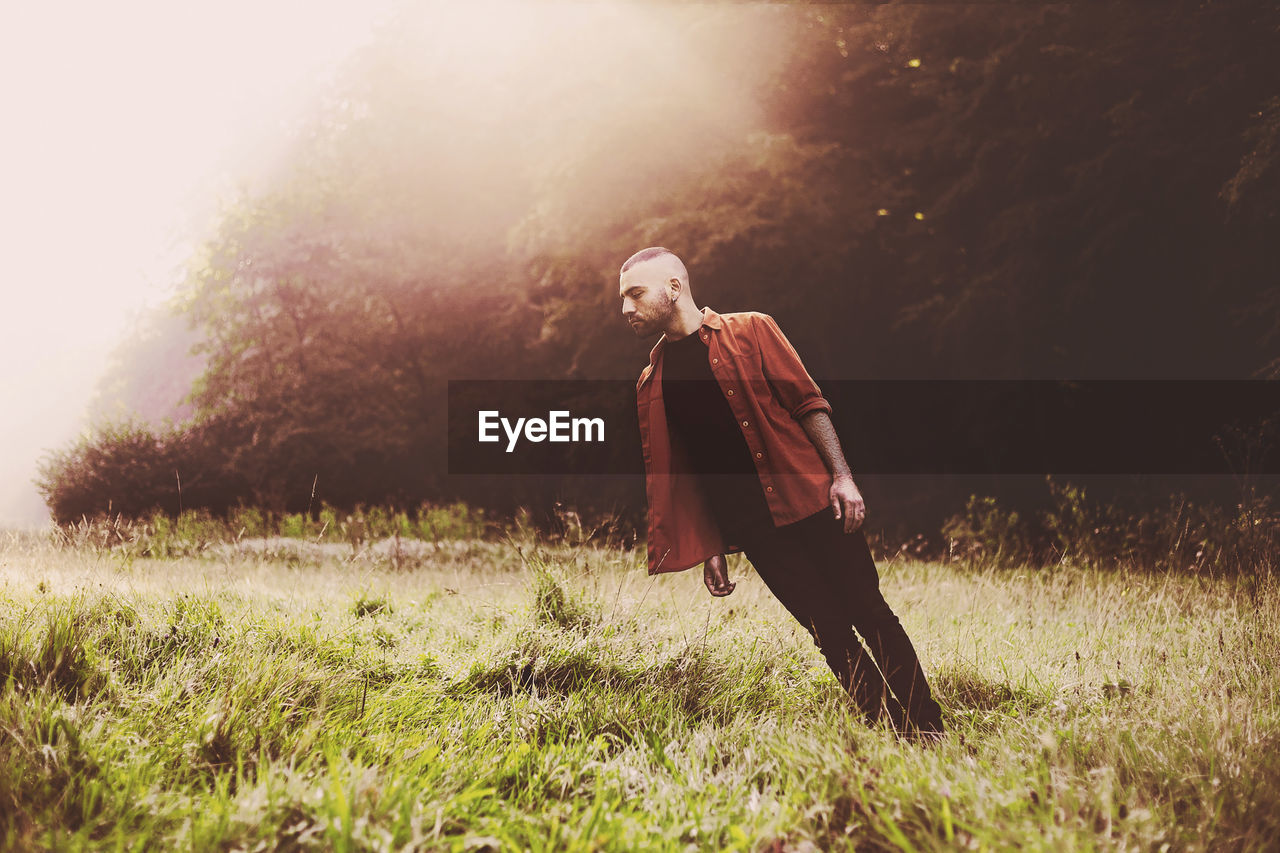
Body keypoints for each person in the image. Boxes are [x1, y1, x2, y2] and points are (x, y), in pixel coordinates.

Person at [620, 246, 944, 740]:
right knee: (829, 633)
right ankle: (891, 732)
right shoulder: (653, 381)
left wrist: (842, 476)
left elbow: (808, 403)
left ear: (673, 287)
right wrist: (711, 544)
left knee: (868, 611)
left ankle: (929, 729)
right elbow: (690, 472)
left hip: (813, 501)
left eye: (635, 294)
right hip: (754, 529)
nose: (626, 309)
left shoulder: (752, 329)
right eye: (622, 299)